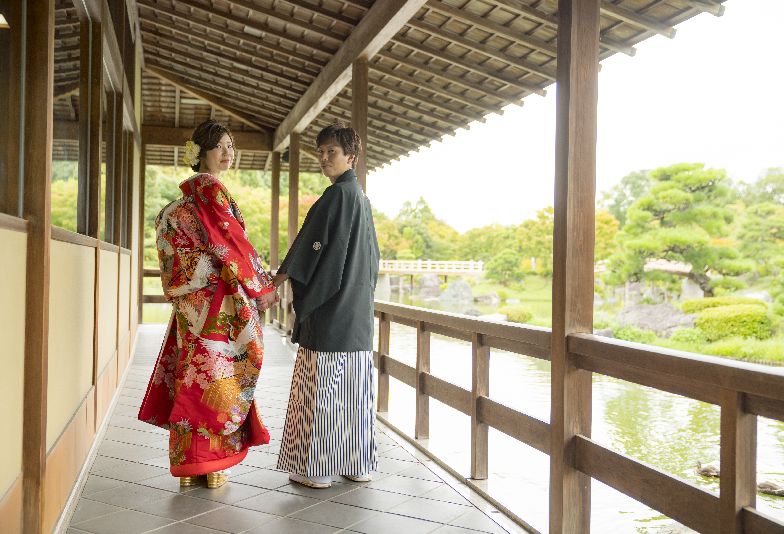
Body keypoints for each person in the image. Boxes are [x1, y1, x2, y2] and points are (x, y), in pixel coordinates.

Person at [138, 120, 278, 489]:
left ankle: (188, 465)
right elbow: (230, 245)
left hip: (190, 304)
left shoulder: (178, 204)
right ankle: (213, 464)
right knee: (219, 379)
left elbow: (175, 260)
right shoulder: (211, 192)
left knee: (191, 375)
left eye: (232, 146)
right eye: (220, 146)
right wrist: (262, 286)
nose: (228, 153)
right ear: (200, 154)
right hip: (216, 303)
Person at [274, 123, 380, 489]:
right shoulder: (361, 200)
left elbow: (309, 251)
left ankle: (318, 469)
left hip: (333, 315)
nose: (323, 157)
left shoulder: (336, 197)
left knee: (323, 393)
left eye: (331, 151)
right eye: (320, 151)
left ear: (351, 156)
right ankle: (356, 463)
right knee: (355, 394)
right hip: (358, 316)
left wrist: (280, 280)